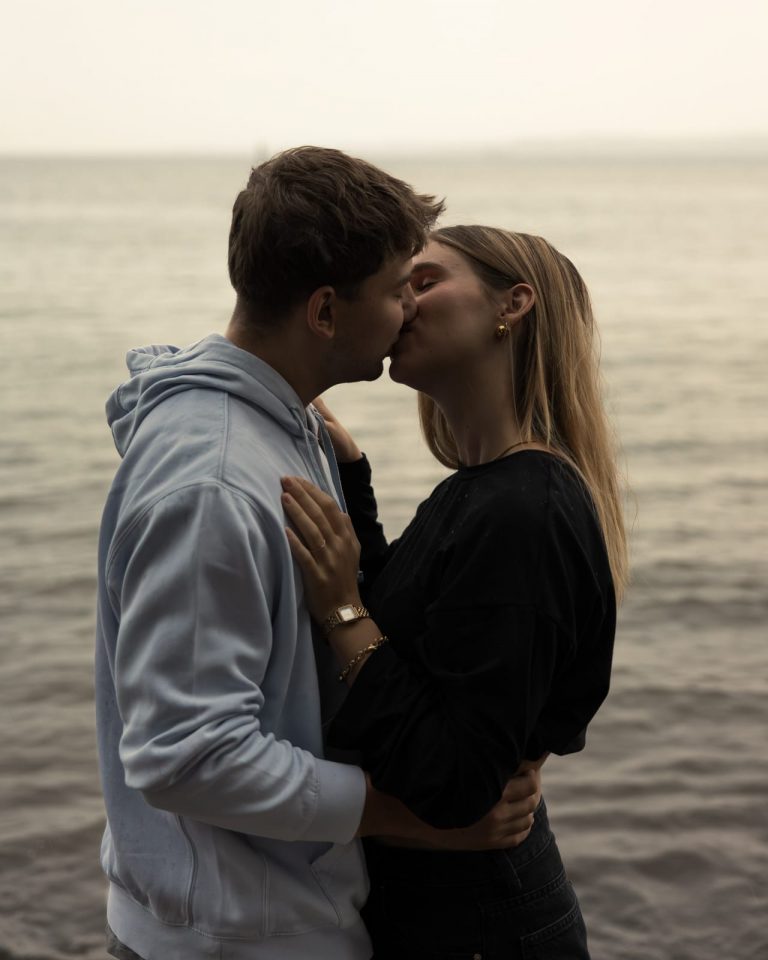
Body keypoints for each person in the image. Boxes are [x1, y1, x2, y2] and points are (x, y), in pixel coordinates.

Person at [94, 150, 543, 960]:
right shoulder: (216, 484)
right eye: (399, 286)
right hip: (233, 938)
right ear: (327, 313)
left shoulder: (284, 423)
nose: (411, 306)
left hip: (264, 914)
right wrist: (406, 816)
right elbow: (187, 756)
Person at [281, 224, 628, 958]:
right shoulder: (484, 492)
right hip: (458, 910)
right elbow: (422, 643)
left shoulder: (521, 510)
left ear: (513, 304)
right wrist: (350, 478)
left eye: (426, 280)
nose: (401, 302)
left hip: (481, 924)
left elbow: (455, 778)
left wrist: (341, 611)